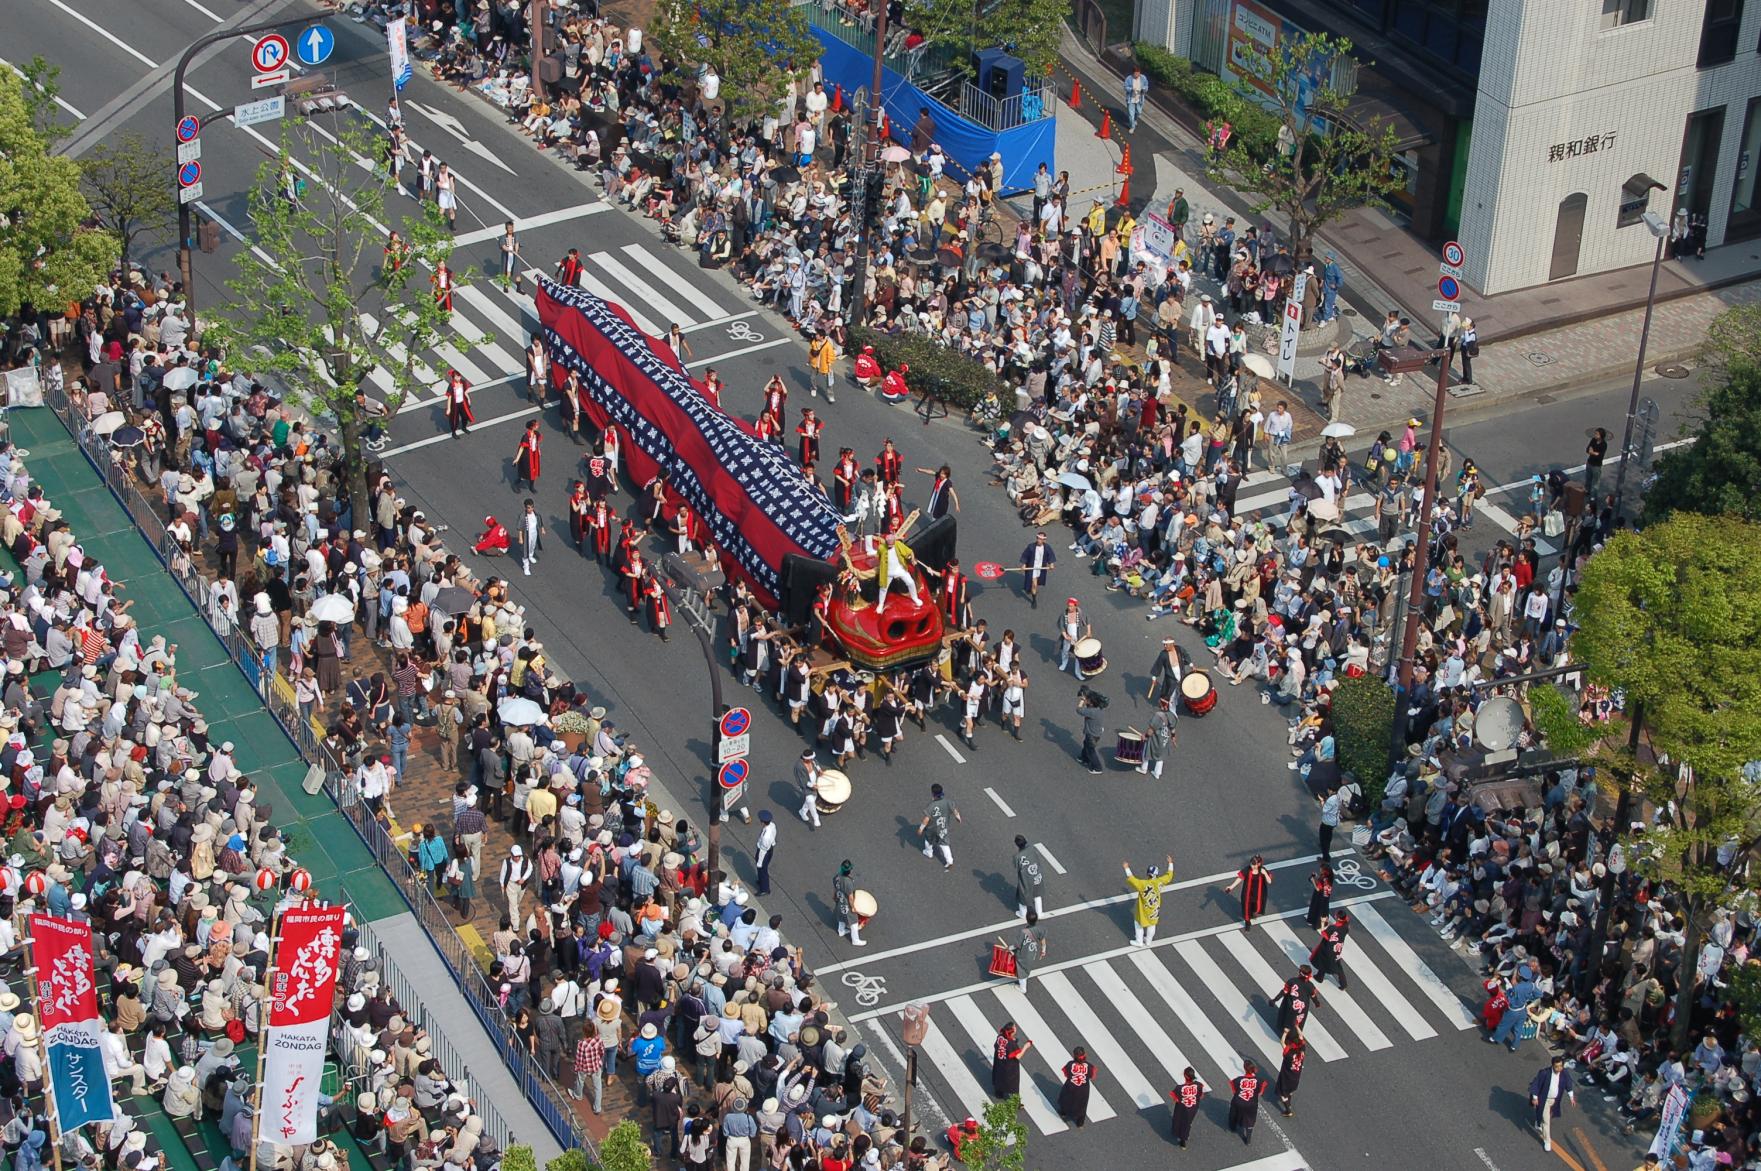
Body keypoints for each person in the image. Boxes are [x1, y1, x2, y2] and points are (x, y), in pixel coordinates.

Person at [1528, 1054, 1576, 1153]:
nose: (1559, 1068)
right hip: (1544, 1100)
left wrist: (1571, 1097)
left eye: (1560, 1066)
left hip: (1555, 1100)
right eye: (1556, 1066)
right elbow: (1536, 1084)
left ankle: (1538, 1121)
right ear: (1552, 1065)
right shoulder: (1545, 1073)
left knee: (1546, 1115)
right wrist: (1535, 1097)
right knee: (1546, 1121)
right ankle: (1547, 1141)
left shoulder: (1564, 1073)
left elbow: (1568, 1084)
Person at [1123, 855, 1175, 946]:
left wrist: (1126, 868)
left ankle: (1139, 941)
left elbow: (1132, 879)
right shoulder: (1160, 882)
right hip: (1154, 907)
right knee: (1152, 924)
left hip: (1143, 909)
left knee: (1138, 923)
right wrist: (1170, 863)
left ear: (1148, 874)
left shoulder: (1143, 884)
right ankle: (1148, 941)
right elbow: (1169, 876)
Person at [918, 783, 962, 870]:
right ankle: (949, 861)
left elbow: (926, 819)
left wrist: (920, 828)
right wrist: (958, 818)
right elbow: (955, 810)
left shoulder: (931, 806)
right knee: (944, 844)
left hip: (931, 829)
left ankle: (929, 852)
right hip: (942, 827)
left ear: (932, 793)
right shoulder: (947, 802)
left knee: (928, 840)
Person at [1224, 855, 1273, 930]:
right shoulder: (1247, 870)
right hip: (1247, 894)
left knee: (1256, 908)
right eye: (1251, 863)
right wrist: (1231, 887)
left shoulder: (1263, 870)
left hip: (1259, 895)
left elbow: (1269, 881)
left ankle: (1253, 912)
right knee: (1246, 909)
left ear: (1259, 864)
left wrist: (1265, 873)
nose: (1252, 865)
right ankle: (1247, 922)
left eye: (1254, 864)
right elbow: (1240, 878)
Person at [1057, 1046, 1097, 1128]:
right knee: (1082, 1105)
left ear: (1074, 1056)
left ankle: (1063, 1113)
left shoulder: (1070, 1064)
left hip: (1070, 1087)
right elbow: (1092, 1076)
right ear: (1085, 1055)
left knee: (1065, 1099)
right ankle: (1080, 1124)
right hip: (1083, 1090)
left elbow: (1066, 1074)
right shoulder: (1090, 1066)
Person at [1310, 910, 1351, 989]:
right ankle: (1343, 984)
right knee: (1337, 965)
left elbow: (1324, 933)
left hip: (1327, 947)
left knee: (1323, 960)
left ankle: (1320, 977)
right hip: (1337, 948)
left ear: (1338, 918)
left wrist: (1323, 922)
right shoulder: (1346, 926)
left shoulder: (1333, 928)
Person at [1227, 1059, 1264, 1145]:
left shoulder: (1238, 1080)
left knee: (1233, 1113)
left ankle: (1233, 1127)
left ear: (1244, 1068)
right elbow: (1261, 1092)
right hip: (1251, 1104)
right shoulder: (1259, 1080)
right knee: (1250, 1119)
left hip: (1238, 1102)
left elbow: (1234, 1090)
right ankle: (1248, 1139)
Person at [1168, 1068, 1206, 1149]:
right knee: (1187, 1123)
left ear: (1185, 1076)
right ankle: (1184, 1139)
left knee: (1178, 1121)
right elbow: (1201, 1096)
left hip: (1182, 1109)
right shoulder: (1199, 1085)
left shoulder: (1179, 1088)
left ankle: (1179, 1135)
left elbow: (1175, 1098)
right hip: (1192, 1109)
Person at [1017, 531, 1056, 609]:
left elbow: (1050, 555)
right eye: (1038, 538)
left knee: (1036, 581)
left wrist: (1051, 563)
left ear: (1044, 540)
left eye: (1041, 539)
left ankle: (1031, 589)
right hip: (1032, 567)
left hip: (1040, 568)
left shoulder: (1047, 547)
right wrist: (1024, 564)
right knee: (1034, 584)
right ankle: (1034, 599)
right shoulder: (1031, 547)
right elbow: (1025, 555)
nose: (1039, 540)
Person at [991, 1023, 1030, 1099]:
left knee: (999, 1078)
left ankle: (998, 1093)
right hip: (1009, 1067)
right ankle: (1016, 1103)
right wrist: (1026, 1046)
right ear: (1012, 1031)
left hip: (1000, 1064)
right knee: (1013, 1084)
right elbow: (1018, 1056)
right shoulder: (1011, 1044)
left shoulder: (1000, 1037)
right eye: (1014, 1027)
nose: (1016, 1028)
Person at [833, 859, 866, 947]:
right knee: (854, 922)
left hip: (839, 900)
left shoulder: (836, 877)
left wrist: (834, 897)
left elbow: (835, 889)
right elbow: (850, 897)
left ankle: (841, 931)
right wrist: (853, 907)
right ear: (849, 871)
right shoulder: (848, 882)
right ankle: (855, 940)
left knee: (841, 916)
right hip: (846, 903)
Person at [1013, 835, 1045, 919]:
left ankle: (1023, 914)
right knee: (1037, 893)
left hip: (1025, 879)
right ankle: (1040, 912)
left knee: (1022, 896)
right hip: (1036, 875)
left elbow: (1017, 866)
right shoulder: (1032, 849)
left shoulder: (1017, 856)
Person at [1274, 1029, 1306, 1116]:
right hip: (1296, 1078)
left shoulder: (1289, 1055)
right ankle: (1289, 1102)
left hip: (1286, 1078)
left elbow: (1282, 1042)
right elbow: (1301, 1038)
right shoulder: (1302, 1053)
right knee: (1290, 1091)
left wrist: (1285, 1032)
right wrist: (1297, 1027)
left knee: (1282, 1095)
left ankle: (1288, 1110)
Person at [1014, 912, 1046, 993]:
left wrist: (1009, 948)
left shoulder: (1023, 932)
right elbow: (1043, 940)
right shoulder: (1040, 929)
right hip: (1033, 952)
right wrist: (1043, 950)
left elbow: (1017, 945)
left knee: (1021, 970)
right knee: (1027, 967)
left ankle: (1023, 988)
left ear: (1027, 920)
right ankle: (1023, 980)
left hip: (1023, 954)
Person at [1077, 688, 1106, 775]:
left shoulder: (1091, 712)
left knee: (1091, 750)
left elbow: (1079, 710)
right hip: (1096, 733)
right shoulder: (1098, 709)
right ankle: (1084, 758)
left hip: (1091, 734)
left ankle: (1098, 768)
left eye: (1086, 700)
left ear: (1091, 702)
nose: (1085, 701)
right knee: (1086, 744)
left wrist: (1082, 700)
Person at [444, 370, 474, 437]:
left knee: (465, 417)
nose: (459, 378)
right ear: (453, 377)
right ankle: (453, 432)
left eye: (459, 376)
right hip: (455, 405)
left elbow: (465, 392)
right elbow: (449, 397)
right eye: (457, 377)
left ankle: (464, 427)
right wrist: (448, 408)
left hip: (463, 403)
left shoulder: (462, 382)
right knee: (455, 420)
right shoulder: (451, 385)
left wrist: (468, 399)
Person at [514, 419, 542, 491]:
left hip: (534, 454)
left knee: (534, 470)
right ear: (532, 427)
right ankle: (518, 481)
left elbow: (536, 443)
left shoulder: (536, 434)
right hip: (527, 456)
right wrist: (517, 458)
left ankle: (531, 486)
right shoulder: (526, 436)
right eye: (536, 425)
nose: (537, 426)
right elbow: (522, 448)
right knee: (525, 469)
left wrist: (538, 450)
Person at [753, 810, 776, 896]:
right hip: (770, 849)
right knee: (762, 869)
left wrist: (759, 862)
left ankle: (765, 889)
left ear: (762, 822)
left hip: (764, 852)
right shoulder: (772, 825)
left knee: (762, 869)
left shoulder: (766, 837)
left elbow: (763, 849)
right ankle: (761, 881)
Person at [1306, 865, 1334, 930]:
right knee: (1323, 908)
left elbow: (1318, 888)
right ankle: (1319, 923)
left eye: (1321, 869)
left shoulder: (1323, 878)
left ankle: (1312, 921)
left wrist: (1313, 880)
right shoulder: (1329, 877)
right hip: (1326, 895)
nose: (1320, 870)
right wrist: (1317, 876)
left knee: (1316, 907)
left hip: (1320, 895)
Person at [1584, 426, 1608, 498]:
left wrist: (1593, 452)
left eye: (1597, 434)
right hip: (1589, 462)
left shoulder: (1604, 444)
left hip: (1596, 466)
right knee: (1588, 479)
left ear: (1601, 436)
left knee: (1595, 483)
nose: (1595, 435)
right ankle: (1587, 492)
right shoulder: (1593, 440)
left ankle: (1593, 497)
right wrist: (1594, 453)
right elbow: (1588, 449)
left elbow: (1600, 456)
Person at [1123, 65, 1148, 131]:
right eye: (1136, 73)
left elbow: (1146, 85)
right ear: (1133, 73)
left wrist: (1144, 89)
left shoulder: (1143, 78)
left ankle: (1135, 119)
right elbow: (1125, 87)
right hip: (1131, 99)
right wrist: (1131, 89)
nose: (1137, 74)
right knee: (1131, 114)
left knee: (1139, 112)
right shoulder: (1129, 78)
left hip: (1139, 99)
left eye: (1138, 73)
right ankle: (1132, 126)